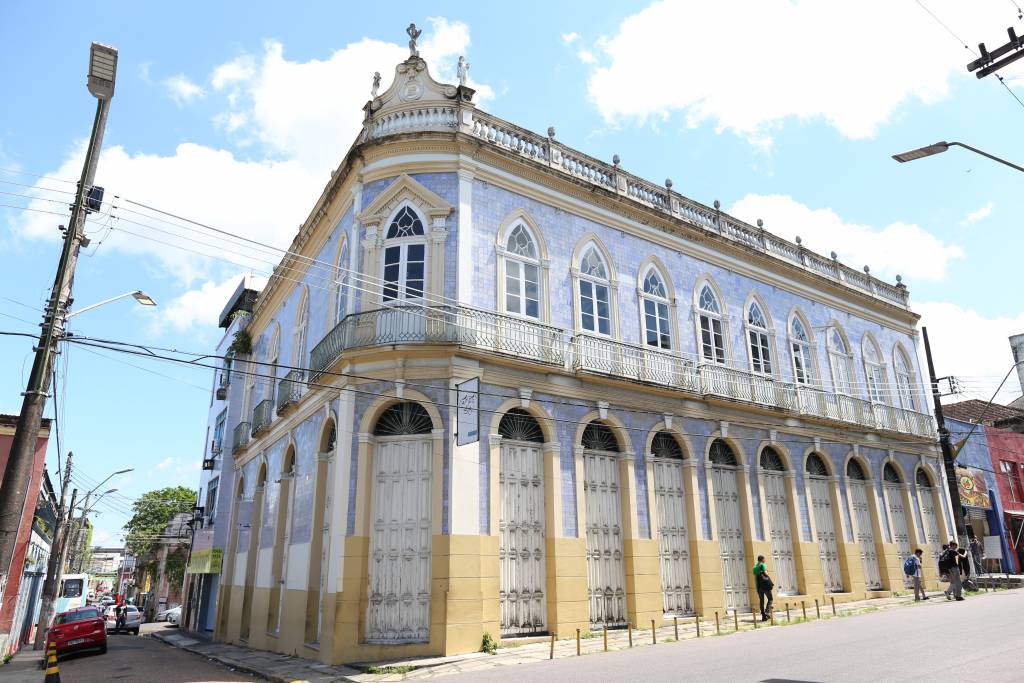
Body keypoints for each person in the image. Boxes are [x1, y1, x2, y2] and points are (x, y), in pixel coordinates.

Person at [752, 555, 774, 621]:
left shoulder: (754, 567)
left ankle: (763, 616)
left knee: (761, 601)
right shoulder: (763, 565)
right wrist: (767, 573)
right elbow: (766, 573)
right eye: (764, 559)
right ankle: (767, 611)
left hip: (759, 586)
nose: (765, 560)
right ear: (762, 559)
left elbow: (755, 575)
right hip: (765, 585)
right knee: (770, 599)